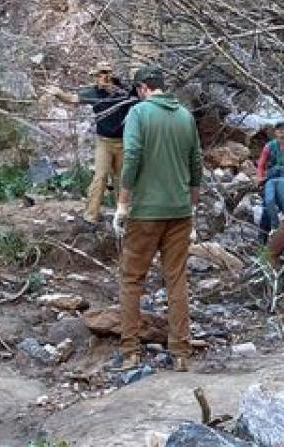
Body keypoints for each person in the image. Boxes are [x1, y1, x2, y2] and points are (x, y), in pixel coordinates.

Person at [115, 64, 203, 371]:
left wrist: (123, 203)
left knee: (131, 279)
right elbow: (196, 164)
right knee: (176, 279)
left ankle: (130, 351)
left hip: (145, 212)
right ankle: (180, 352)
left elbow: (132, 155)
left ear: (142, 89)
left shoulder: (139, 113)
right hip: (179, 211)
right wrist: (192, 207)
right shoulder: (185, 116)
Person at [79, 64, 134, 225]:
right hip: (104, 141)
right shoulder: (93, 92)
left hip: (123, 141)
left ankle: (123, 215)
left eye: (103, 74)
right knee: (100, 177)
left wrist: (115, 89)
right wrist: (57, 93)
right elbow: (73, 98)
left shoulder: (123, 92)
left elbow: (139, 100)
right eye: (98, 75)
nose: (101, 78)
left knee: (122, 179)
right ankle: (90, 216)